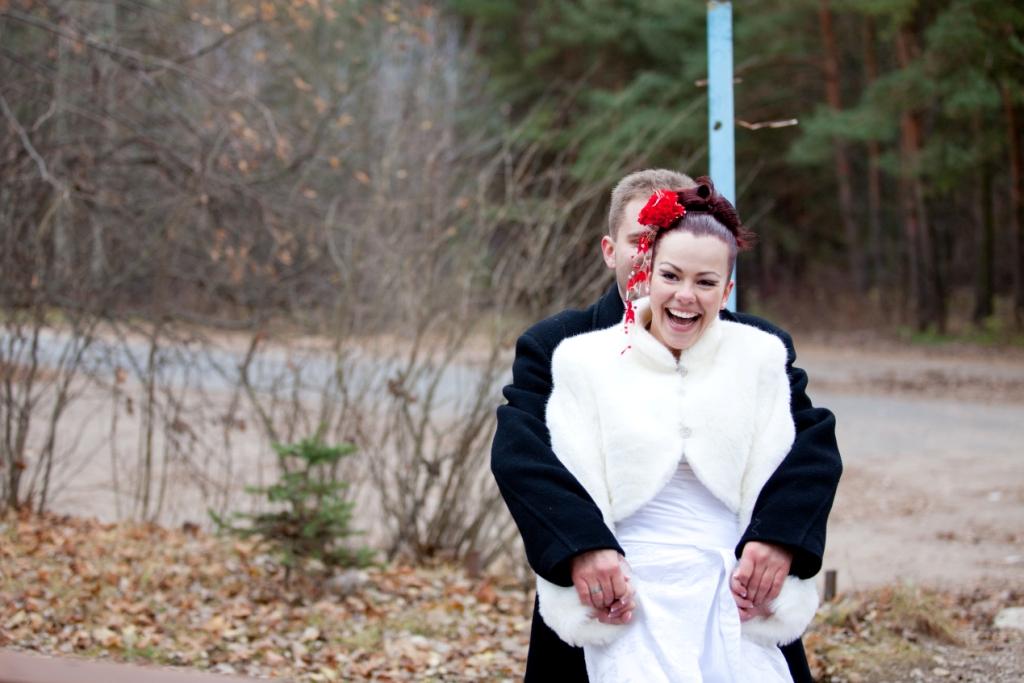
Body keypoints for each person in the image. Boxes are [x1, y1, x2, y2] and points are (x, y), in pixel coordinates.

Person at [491, 169, 841, 682]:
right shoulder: (562, 345)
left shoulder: (756, 348)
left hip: (726, 589)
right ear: (612, 250)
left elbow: (809, 444)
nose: (647, 255)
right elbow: (523, 454)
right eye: (640, 240)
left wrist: (778, 536)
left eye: (661, 241)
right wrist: (582, 546)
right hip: (612, 595)